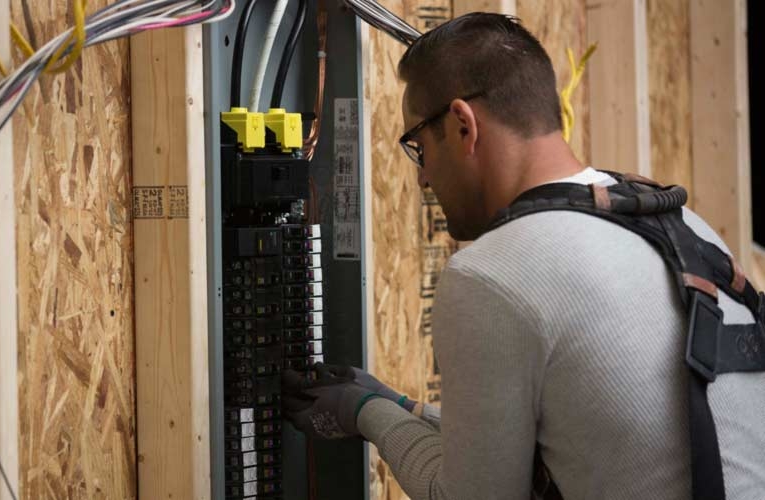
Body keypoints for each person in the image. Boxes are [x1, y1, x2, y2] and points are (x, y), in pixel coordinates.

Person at [281, 12, 765, 499]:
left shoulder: (493, 273)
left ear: (463, 126)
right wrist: (402, 405)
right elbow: (579, 435)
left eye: (419, 147)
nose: (424, 178)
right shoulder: (680, 226)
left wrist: (366, 412)